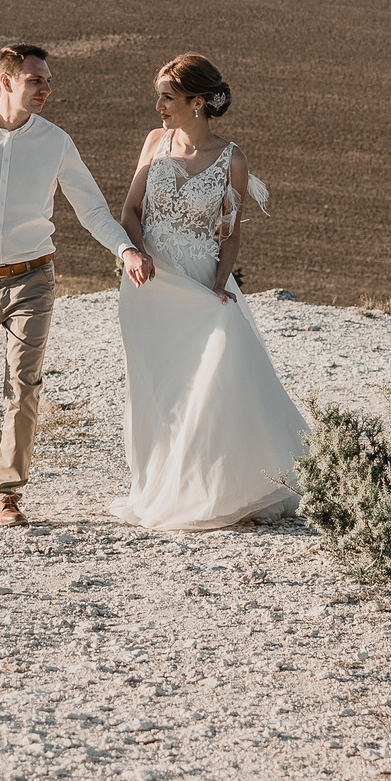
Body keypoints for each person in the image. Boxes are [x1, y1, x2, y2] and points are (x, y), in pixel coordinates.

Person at [0, 43, 152, 528]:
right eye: (36, 80)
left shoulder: (56, 142)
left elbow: (91, 208)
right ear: (6, 81)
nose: (46, 88)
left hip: (33, 281)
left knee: (23, 384)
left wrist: (124, 250)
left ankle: (9, 491)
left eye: (47, 80)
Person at [109, 54, 308, 531]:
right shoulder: (155, 143)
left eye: (167, 97)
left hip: (200, 280)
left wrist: (218, 286)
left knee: (211, 379)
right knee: (157, 384)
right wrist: (138, 255)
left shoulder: (232, 158)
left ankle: (221, 489)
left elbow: (232, 232)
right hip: (149, 284)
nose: (158, 105)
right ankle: (157, 484)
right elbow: (130, 210)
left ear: (197, 102)